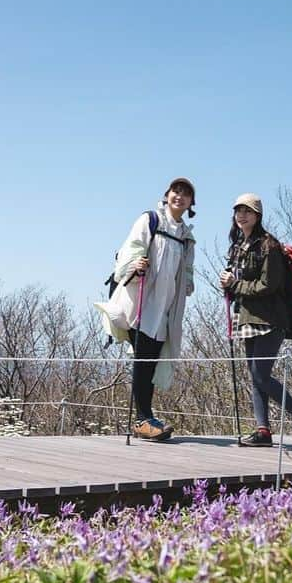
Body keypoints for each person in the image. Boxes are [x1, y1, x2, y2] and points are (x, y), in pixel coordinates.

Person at [96, 178, 197, 441]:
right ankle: (143, 419)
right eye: (176, 191)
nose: (180, 197)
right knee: (143, 359)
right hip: (139, 302)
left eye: (186, 194)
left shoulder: (187, 237)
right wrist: (135, 265)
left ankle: (145, 419)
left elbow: (187, 274)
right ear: (167, 195)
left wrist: (188, 283)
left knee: (150, 361)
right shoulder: (150, 220)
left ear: (191, 204)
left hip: (164, 309)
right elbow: (129, 252)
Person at [219, 193, 292, 449]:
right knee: (255, 376)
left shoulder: (269, 246)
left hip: (271, 319)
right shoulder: (239, 245)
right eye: (238, 210)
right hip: (247, 318)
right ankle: (263, 431)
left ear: (258, 215)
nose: (242, 215)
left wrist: (235, 284)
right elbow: (241, 284)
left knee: (261, 375)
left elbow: (268, 285)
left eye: (247, 211)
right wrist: (228, 284)